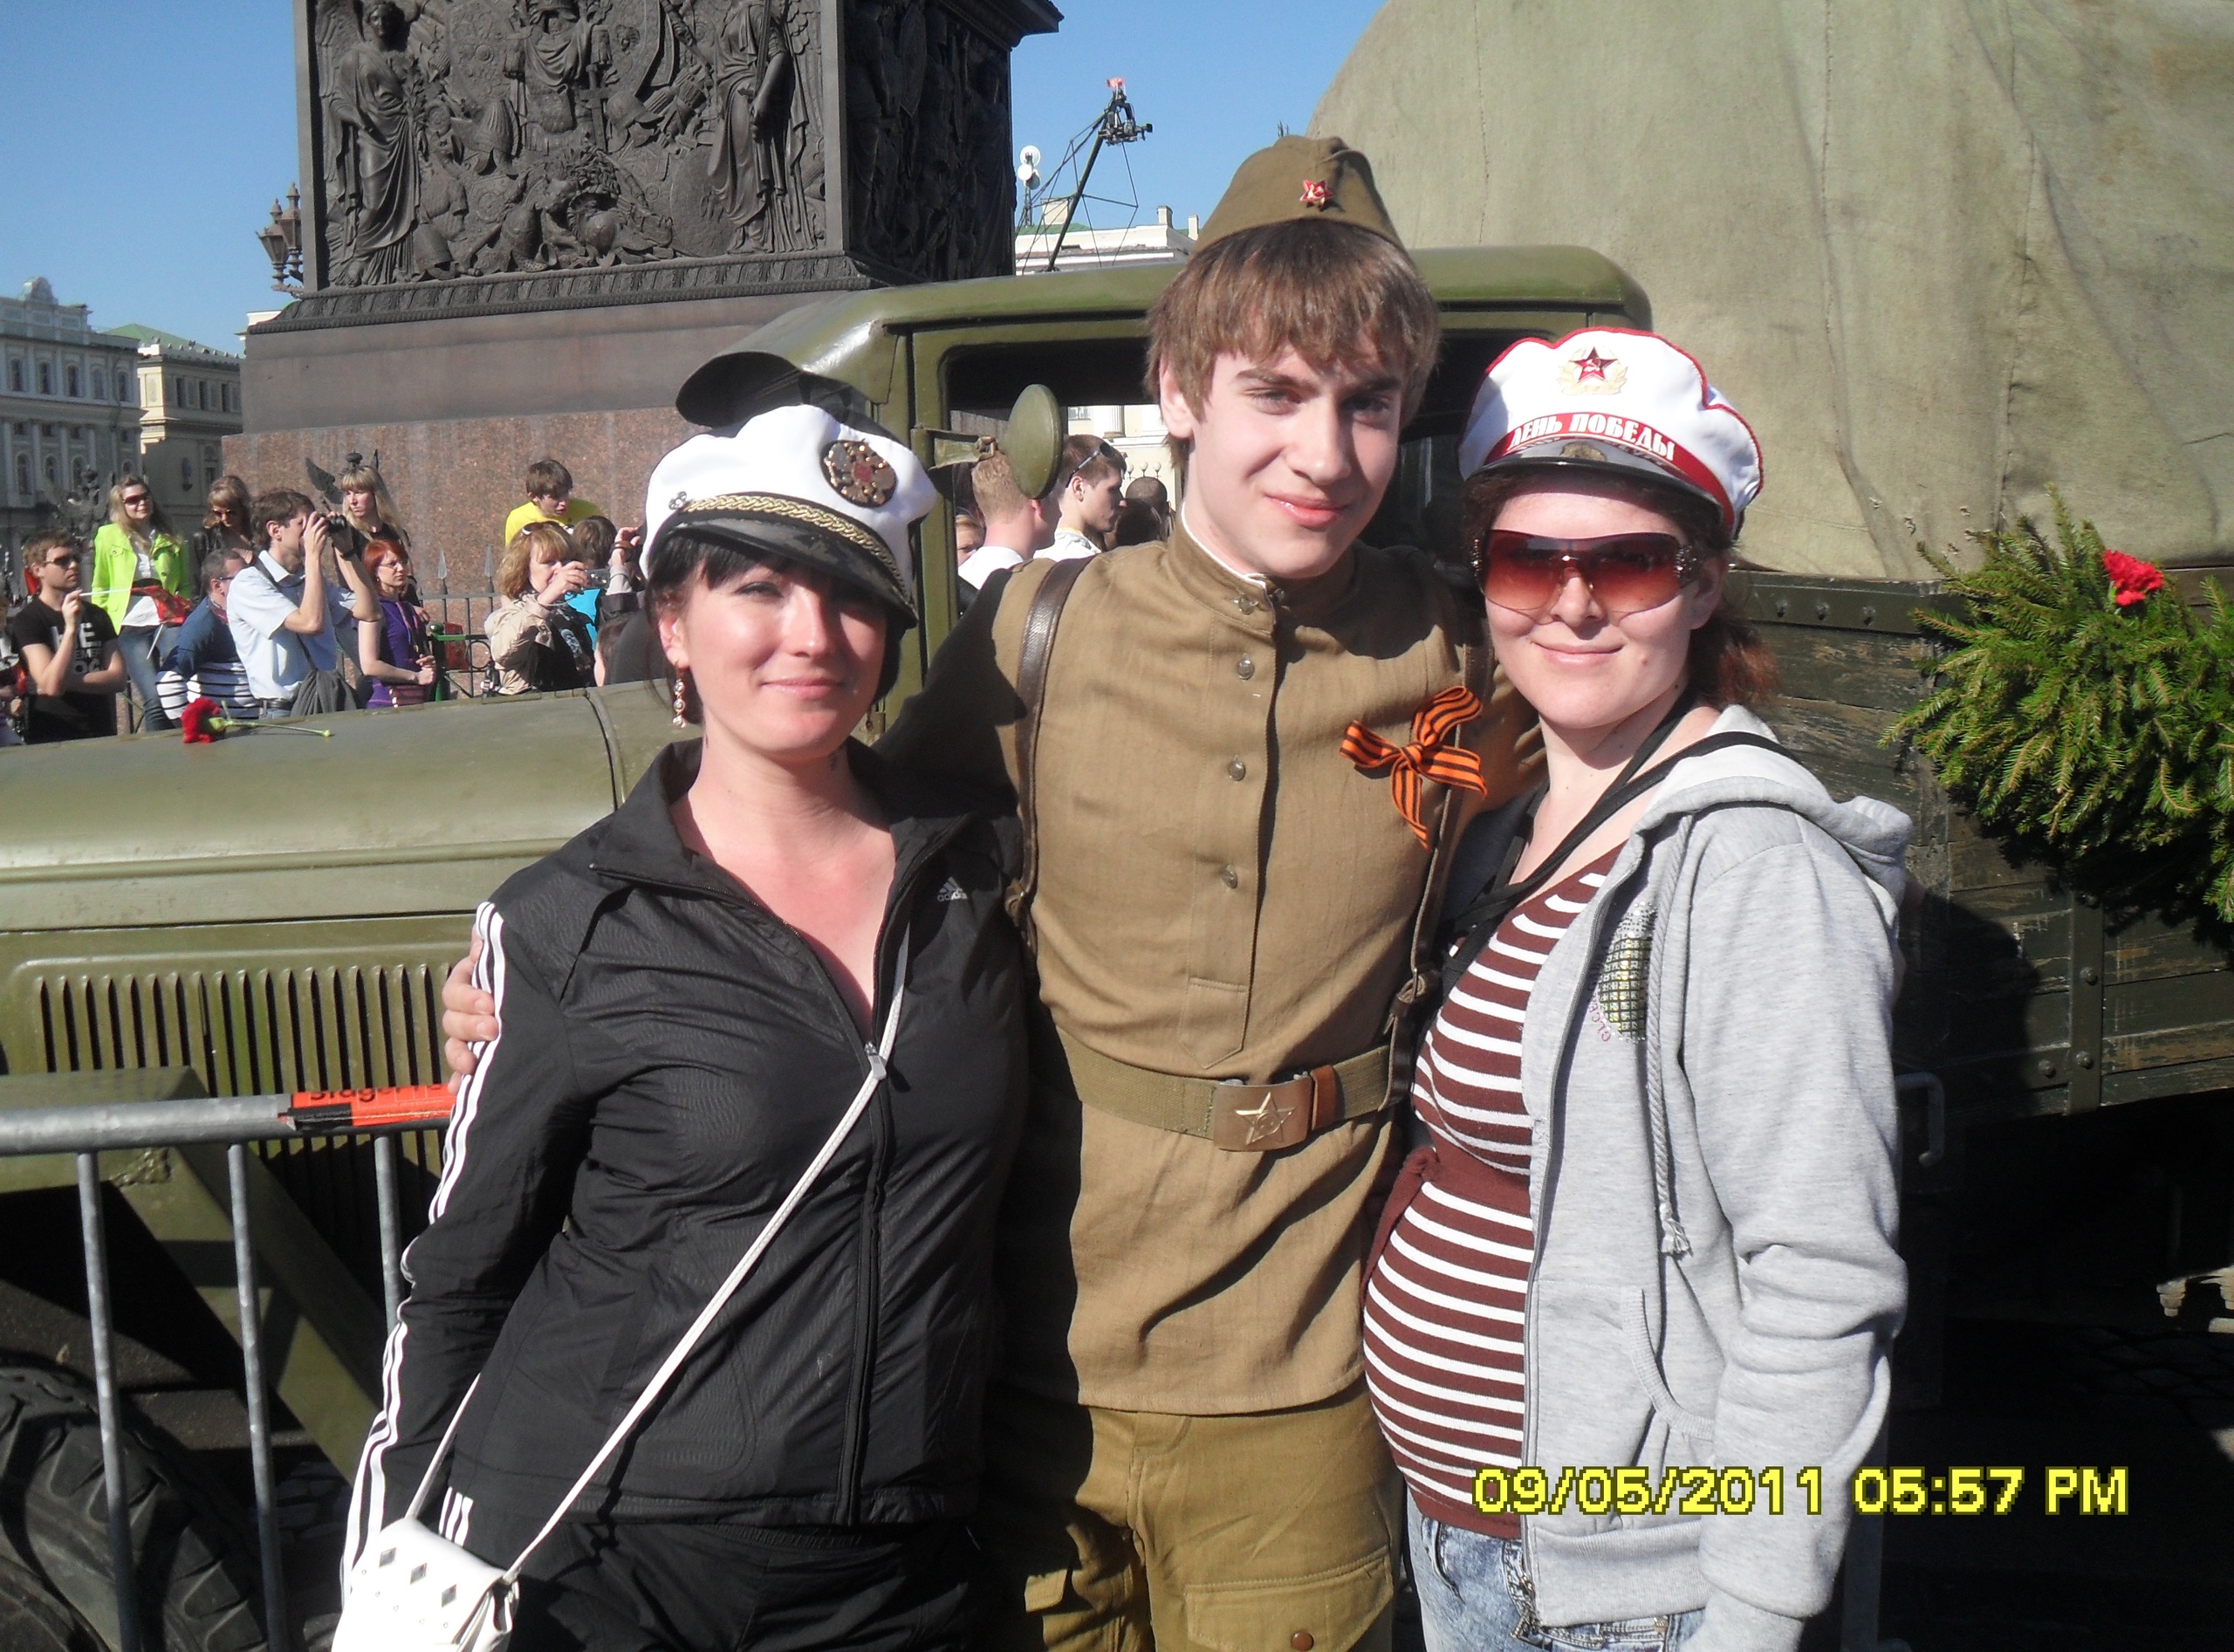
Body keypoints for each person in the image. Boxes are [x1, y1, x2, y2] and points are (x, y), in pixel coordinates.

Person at [442, 134, 1536, 1652]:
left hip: (1303, 1378)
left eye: (1367, 403)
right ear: (1178, 389)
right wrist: (552, 973)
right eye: (1277, 394)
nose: (1325, 452)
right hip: (1029, 1367)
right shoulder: (1043, 637)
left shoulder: (1467, 655)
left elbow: (1607, 809)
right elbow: (848, 839)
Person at [346, 405, 1029, 1651]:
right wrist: (389, 1564)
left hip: (903, 1566)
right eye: (758, 589)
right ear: (671, 622)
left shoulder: (985, 876)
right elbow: (459, 1282)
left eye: (855, 598)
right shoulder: (568, 923)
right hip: (608, 1559)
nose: (811, 634)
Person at [1366, 330, 1908, 1652]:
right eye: (1527, 559)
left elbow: (1820, 1274)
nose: (1572, 605)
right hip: (1466, 1534)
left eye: (1628, 562)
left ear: (1705, 583)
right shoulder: (1507, 819)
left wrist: (1757, 1613)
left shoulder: (1751, 869)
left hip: (1626, 1591)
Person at [229, 488, 380, 716]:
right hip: (285, 710)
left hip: (326, 697)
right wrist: (313, 556)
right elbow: (310, 623)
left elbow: (370, 612)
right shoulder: (249, 583)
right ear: (275, 530)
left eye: (314, 522)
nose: (312, 531)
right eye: (303, 524)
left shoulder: (309, 578)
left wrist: (348, 553)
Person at [90, 476, 190, 732]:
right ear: (121, 505)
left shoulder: (171, 534)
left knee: (174, 687)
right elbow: (100, 585)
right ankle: (156, 752)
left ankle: (185, 737)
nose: (141, 503)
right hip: (130, 623)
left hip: (168, 620)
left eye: (145, 497)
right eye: (133, 500)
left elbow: (186, 582)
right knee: (154, 699)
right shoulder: (108, 536)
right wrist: (103, 624)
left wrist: (182, 605)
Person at [9, 531, 127, 744]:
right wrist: (71, 629)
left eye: (76, 558)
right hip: (52, 737)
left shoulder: (97, 615)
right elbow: (53, 686)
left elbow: (118, 678)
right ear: (38, 570)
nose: (73, 565)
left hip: (101, 731)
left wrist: (63, 682)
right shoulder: (29, 620)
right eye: (62, 561)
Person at [483, 521, 595, 694]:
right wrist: (546, 599)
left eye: (565, 560)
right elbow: (503, 652)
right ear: (524, 568)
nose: (560, 569)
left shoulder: (567, 613)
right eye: (549, 562)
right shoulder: (515, 612)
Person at [158, 546, 259, 723]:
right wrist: (197, 726)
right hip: (234, 732)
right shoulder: (202, 624)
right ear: (217, 586)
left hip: (262, 722)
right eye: (241, 578)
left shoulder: (250, 611)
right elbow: (168, 682)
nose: (251, 582)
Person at [953, 448, 1058, 599]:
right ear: (1037, 504)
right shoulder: (1040, 587)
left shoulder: (958, 580)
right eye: (1054, 499)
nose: (1060, 513)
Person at [357, 539, 435, 708]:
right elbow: (369, 666)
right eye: (392, 564)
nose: (401, 568)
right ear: (375, 570)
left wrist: (428, 664)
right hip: (386, 703)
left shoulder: (408, 609)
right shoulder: (374, 610)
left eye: (403, 562)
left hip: (415, 700)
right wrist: (415, 677)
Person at [1041, 436, 1126, 561]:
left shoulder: (1037, 553)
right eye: (1113, 490)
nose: (1122, 502)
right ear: (1079, 488)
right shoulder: (1078, 560)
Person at [503, 458, 602, 545]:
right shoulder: (517, 519)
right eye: (555, 497)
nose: (563, 503)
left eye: (565, 493)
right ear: (534, 497)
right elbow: (515, 558)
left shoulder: (590, 513)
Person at [339, 461, 412, 565]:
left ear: (375, 494)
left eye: (358, 493)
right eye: (348, 494)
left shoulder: (396, 533)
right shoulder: (347, 535)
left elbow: (406, 570)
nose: (352, 501)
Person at [201, 475, 257, 571]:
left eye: (231, 512)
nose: (224, 518)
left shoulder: (259, 534)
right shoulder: (207, 538)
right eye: (218, 513)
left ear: (243, 508)